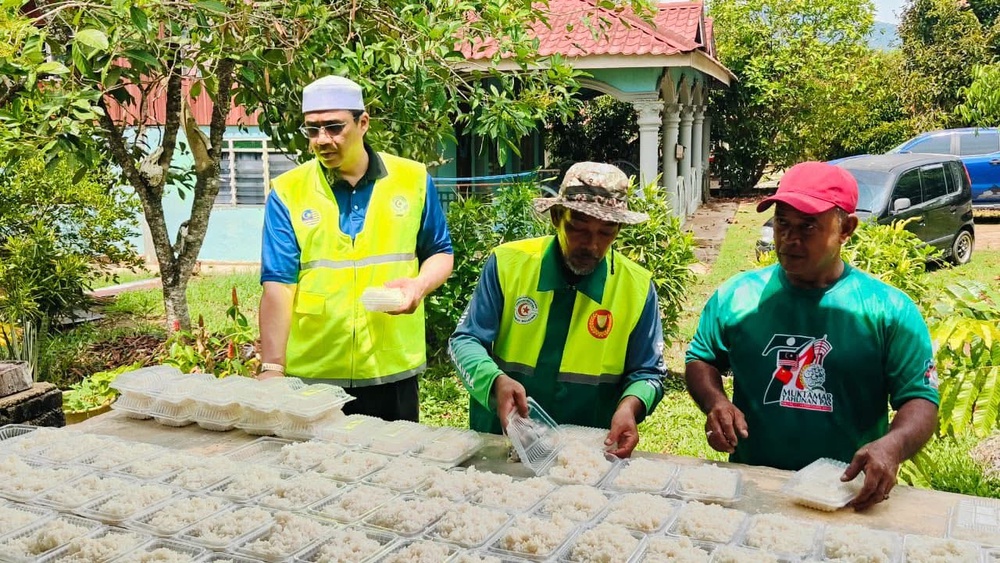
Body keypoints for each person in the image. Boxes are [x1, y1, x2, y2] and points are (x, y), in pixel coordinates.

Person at [685, 160, 939, 510]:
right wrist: (715, 402)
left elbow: (920, 399)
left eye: (808, 227)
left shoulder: (888, 309)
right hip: (753, 486)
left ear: (846, 228)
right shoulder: (737, 297)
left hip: (846, 495)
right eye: (782, 224)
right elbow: (702, 358)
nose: (790, 239)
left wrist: (893, 444)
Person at [257, 75, 454, 422]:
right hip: (315, 371)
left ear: (363, 123)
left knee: (393, 467)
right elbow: (278, 284)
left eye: (334, 127)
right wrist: (272, 366)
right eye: (312, 130)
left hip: (391, 366)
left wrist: (418, 286)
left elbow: (440, 252)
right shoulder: (288, 191)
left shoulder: (412, 180)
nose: (322, 140)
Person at [449, 162, 666, 458]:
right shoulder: (507, 264)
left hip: (583, 459)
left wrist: (631, 405)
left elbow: (649, 372)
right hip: (501, 444)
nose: (592, 245)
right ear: (555, 216)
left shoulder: (637, 288)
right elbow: (465, 341)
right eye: (578, 227)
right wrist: (494, 381)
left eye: (606, 232)